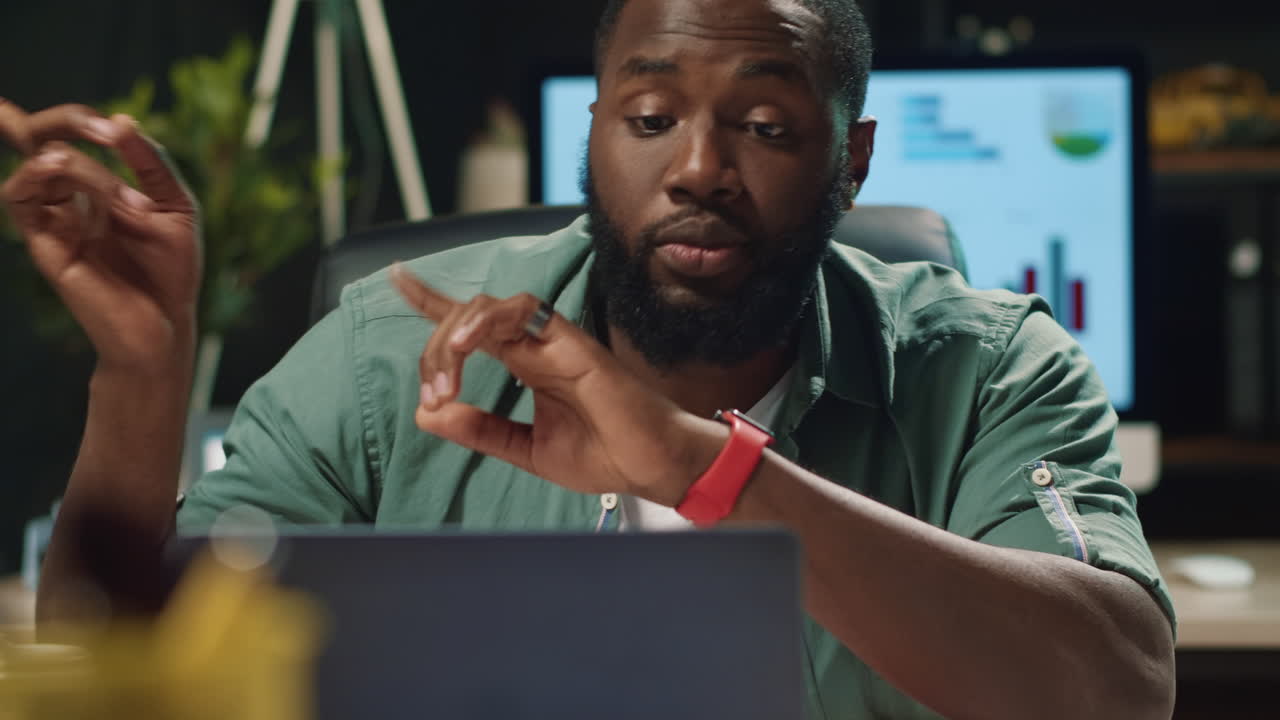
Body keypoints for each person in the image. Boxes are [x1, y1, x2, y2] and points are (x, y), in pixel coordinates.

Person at [1, 0, 1175, 717]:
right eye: (650, 117)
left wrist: (699, 469)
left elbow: (1117, 691)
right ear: (595, 133)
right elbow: (128, 676)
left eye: (764, 129)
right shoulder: (386, 350)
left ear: (850, 161)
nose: (699, 168)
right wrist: (142, 375)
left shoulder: (991, 368)